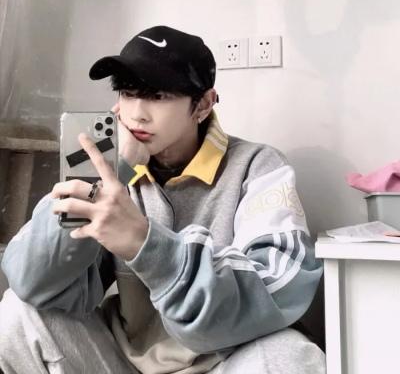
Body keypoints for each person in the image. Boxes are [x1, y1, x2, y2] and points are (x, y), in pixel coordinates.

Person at [0, 25, 325, 374]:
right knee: (19, 313)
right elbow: (32, 280)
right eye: (128, 93)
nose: (137, 113)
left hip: (226, 361)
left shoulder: (257, 166)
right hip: (122, 361)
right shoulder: (110, 171)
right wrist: (108, 174)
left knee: (290, 355)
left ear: (203, 104)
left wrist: (146, 244)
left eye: (157, 96)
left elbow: (281, 287)